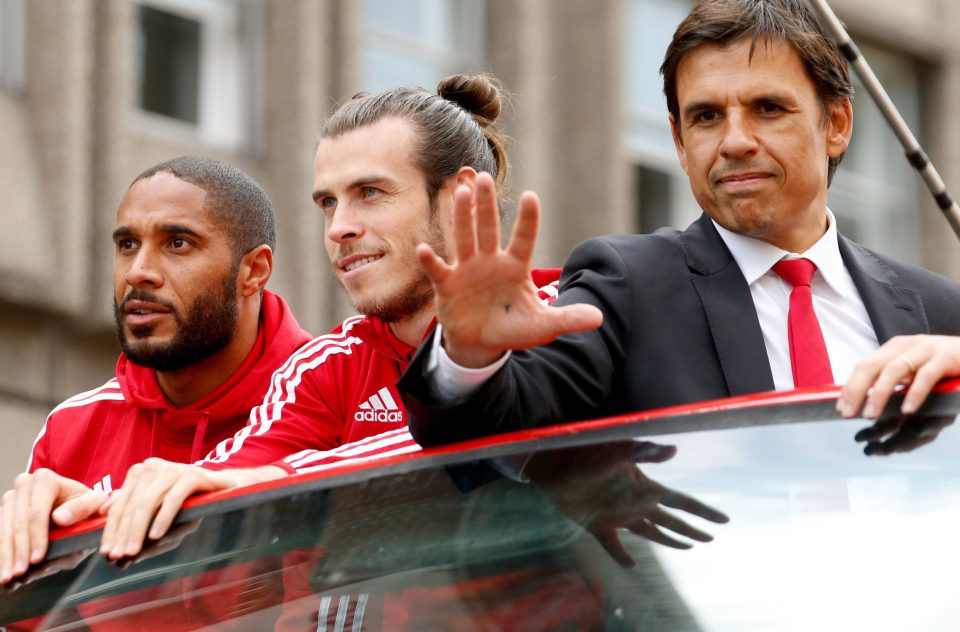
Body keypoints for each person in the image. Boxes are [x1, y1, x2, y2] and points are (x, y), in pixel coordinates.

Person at [396, 0, 960, 447]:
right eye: (707, 117)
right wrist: (468, 359)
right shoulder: (626, 284)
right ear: (679, 142)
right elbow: (497, 434)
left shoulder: (940, 312)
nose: (735, 142)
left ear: (835, 124)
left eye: (767, 108)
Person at [0, 156, 313, 599]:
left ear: (254, 271)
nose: (137, 272)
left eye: (178, 243)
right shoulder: (72, 426)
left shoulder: (331, 395)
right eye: (127, 245)